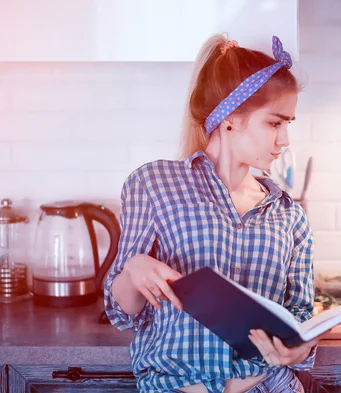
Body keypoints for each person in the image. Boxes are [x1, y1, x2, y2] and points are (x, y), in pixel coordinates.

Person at [104, 34, 322, 393]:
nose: (285, 140)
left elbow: (300, 318)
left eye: (289, 124)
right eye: (274, 123)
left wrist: (299, 348)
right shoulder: (155, 184)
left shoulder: (289, 215)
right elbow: (122, 311)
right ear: (231, 117)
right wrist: (133, 268)